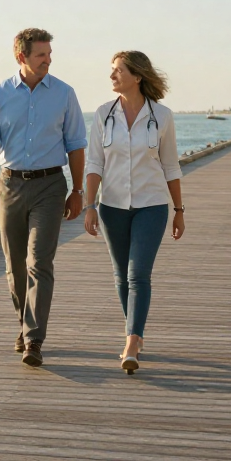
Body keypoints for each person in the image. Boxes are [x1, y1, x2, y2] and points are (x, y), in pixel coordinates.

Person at [0, 28, 87, 367]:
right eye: (41, 55)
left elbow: (76, 145)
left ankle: (34, 338)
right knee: (15, 266)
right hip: (10, 185)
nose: (48, 61)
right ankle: (24, 327)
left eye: (50, 55)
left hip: (51, 185)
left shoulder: (65, 94)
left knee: (39, 261)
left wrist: (78, 190)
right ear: (22, 57)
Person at [83, 51, 185, 374]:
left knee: (137, 273)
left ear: (137, 76)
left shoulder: (162, 116)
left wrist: (179, 210)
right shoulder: (103, 115)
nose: (112, 76)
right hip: (112, 207)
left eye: (118, 70)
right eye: (112, 70)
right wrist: (89, 205)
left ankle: (131, 341)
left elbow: (171, 165)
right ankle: (135, 332)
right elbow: (94, 164)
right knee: (121, 277)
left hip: (152, 205)